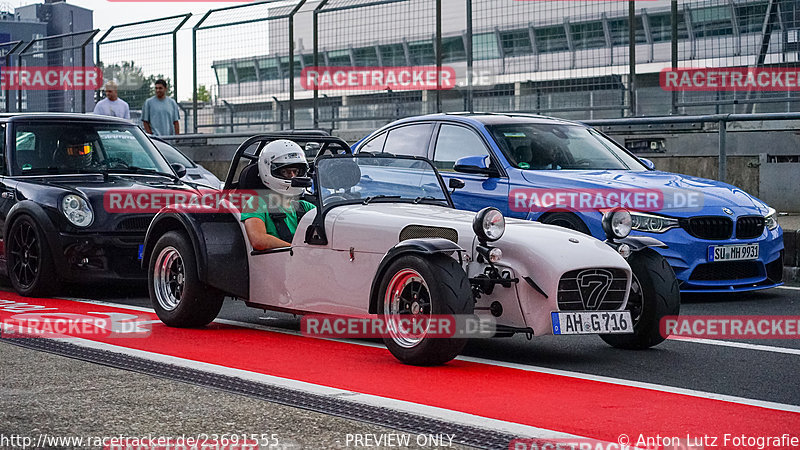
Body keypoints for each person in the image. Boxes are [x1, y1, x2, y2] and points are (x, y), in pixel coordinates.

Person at [241, 140, 316, 251]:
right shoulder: (256, 202)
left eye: (296, 171)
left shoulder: (306, 206)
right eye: (285, 172)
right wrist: (296, 249)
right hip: (275, 264)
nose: (293, 176)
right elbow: (259, 240)